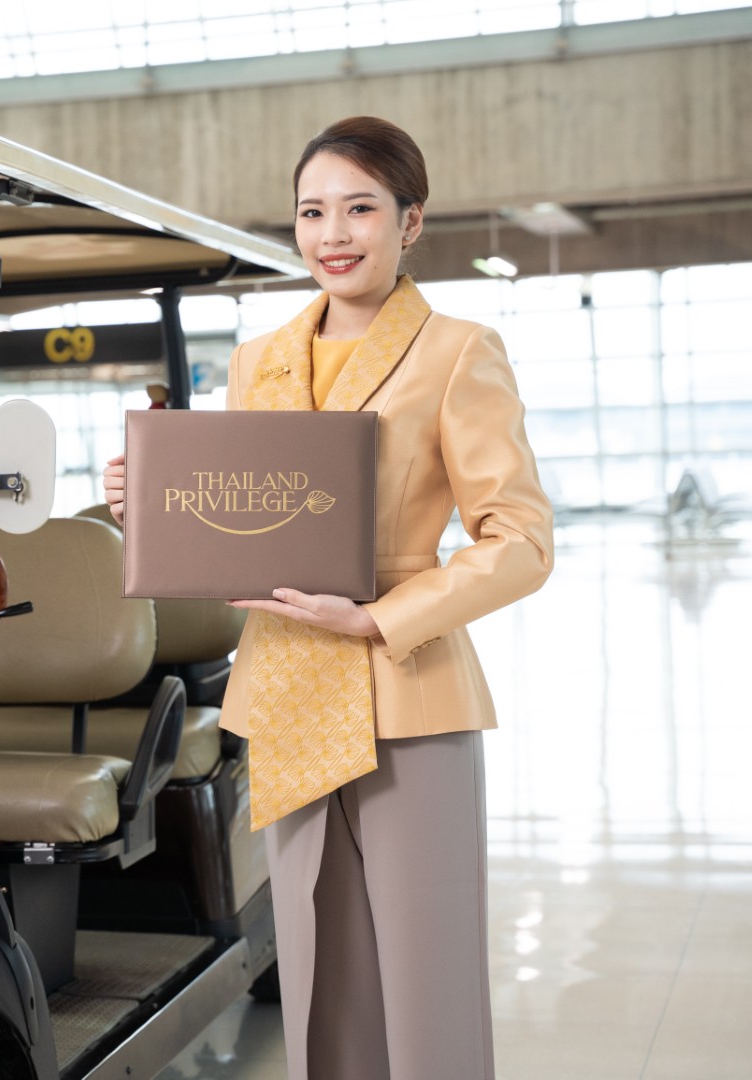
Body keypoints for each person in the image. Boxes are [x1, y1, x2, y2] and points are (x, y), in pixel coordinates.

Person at [102, 117, 553, 1080]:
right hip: (287, 689)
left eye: (360, 208)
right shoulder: (259, 360)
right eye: (313, 212)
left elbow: (521, 543)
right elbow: (240, 521)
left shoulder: (458, 351)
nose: (333, 234)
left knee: (427, 974)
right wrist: (145, 502)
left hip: (408, 691)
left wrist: (380, 617)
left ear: (410, 222)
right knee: (317, 965)